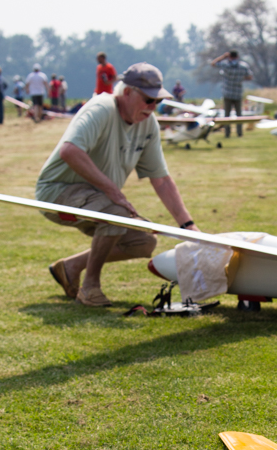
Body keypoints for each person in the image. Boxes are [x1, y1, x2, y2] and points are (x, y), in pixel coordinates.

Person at [37, 62, 199, 308]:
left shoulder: (148, 124)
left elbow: (161, 179)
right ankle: (90, 288)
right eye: (147, 99)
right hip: (57, 192)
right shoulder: (102, 108)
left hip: (95, 198)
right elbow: (70, 151)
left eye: (157, 101)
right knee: (117, 213)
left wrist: (188, 226)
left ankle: (71, 267)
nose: (152, 107)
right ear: (127, 92)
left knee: (144, 241)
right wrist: (113, 192)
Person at [211, 49, 252, 137]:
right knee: (239, 115)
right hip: (238, 92)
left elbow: (213, 63)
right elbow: (249, 77)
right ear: (237, 57)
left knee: (227, 115)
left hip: (227, 93)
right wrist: (240, 79)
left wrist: (223, 56)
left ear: (229, 57)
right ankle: (239, 133)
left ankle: (227, 133)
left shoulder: (225, 65)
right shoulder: (243, 66)